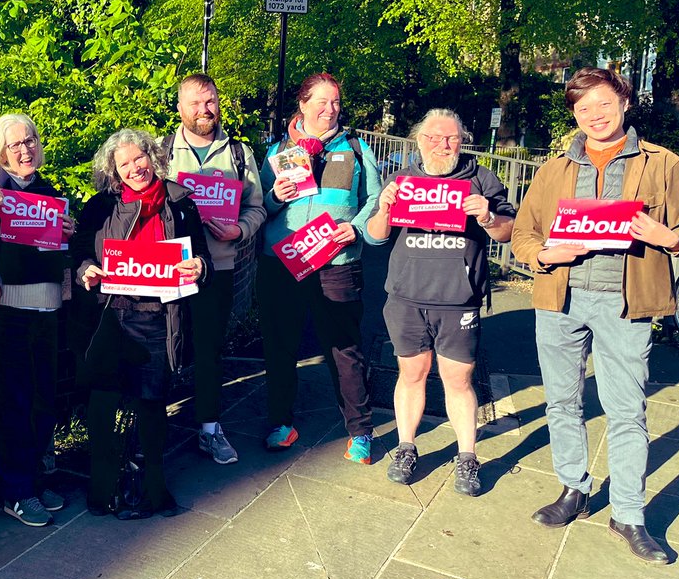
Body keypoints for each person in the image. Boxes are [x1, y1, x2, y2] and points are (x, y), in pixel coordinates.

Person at [511, 67, 679, 564]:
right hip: (559, 301)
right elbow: (524, 234)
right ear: (574, 113)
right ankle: (574, 488)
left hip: (626, 303)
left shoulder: (662, 163)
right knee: (562, 402)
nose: (594, 115)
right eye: (583, 107)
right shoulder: (553, 170)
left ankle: (629, 514)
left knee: (626, 409)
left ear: (625, 102)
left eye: (604, 103)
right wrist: (547, 254)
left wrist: (668, 238)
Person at [366, 109, 516, 495]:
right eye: (433, 137)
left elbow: (508, 232)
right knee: (411, 375)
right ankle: (406, 446)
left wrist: (486, 215)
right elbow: (376, 235)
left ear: (461, 140)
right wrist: (384, 208)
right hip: (406, 298)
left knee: (458, 380)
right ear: (418, 140)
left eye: (450, 138)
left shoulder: (481, 178)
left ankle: (467, 457)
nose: (442, 145)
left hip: (457, 300)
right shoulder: (401, 179)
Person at [72, 128, 210, 519]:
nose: (135, 168)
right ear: (114, 172)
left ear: (153, 157)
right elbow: (80, 251)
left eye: (140, 158)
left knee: (152, 403)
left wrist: (199, 266)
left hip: (160, 318)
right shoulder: (100, 207)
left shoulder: (180, 202)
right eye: (124, 164)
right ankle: (102, 484)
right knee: (102, 402)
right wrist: (87, 269)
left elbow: (203, 257)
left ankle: (152, 484)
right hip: (111, 315)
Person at [257, 73, 382, 462]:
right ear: (303, 104)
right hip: (283, 263)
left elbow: (376, 200)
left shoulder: (358, 149)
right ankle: (281, 422)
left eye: (336, 103)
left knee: (345, 349)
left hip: (337, 263)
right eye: (322, 102)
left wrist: (356, 228)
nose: (330, 110)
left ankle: (360, 431)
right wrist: (275, 197)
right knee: (280, 347)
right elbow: (257, 206)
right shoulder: (278, 150)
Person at [0, 114, 74, 527]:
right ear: (0, 151)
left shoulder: (51, 192)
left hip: (46, 308)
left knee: (41, 398)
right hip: (6, 310)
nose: (25, 149)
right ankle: (15, 491)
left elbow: (57, 251)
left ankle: (35, 479)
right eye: (15, 144)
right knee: (9, 401)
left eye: (30, 140)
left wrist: (68, 233)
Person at [162, 74, 266, 466]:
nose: (204, 110)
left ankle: (209, 427)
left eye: (210, 102)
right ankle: (153, 426)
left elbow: (257, 206)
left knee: (209, 350)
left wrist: (240, 228)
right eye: (195, 103)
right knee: (161, 349)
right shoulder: (161, 151)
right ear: (180, 107)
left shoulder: (238, 154)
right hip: (168, 269)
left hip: (218, 267)